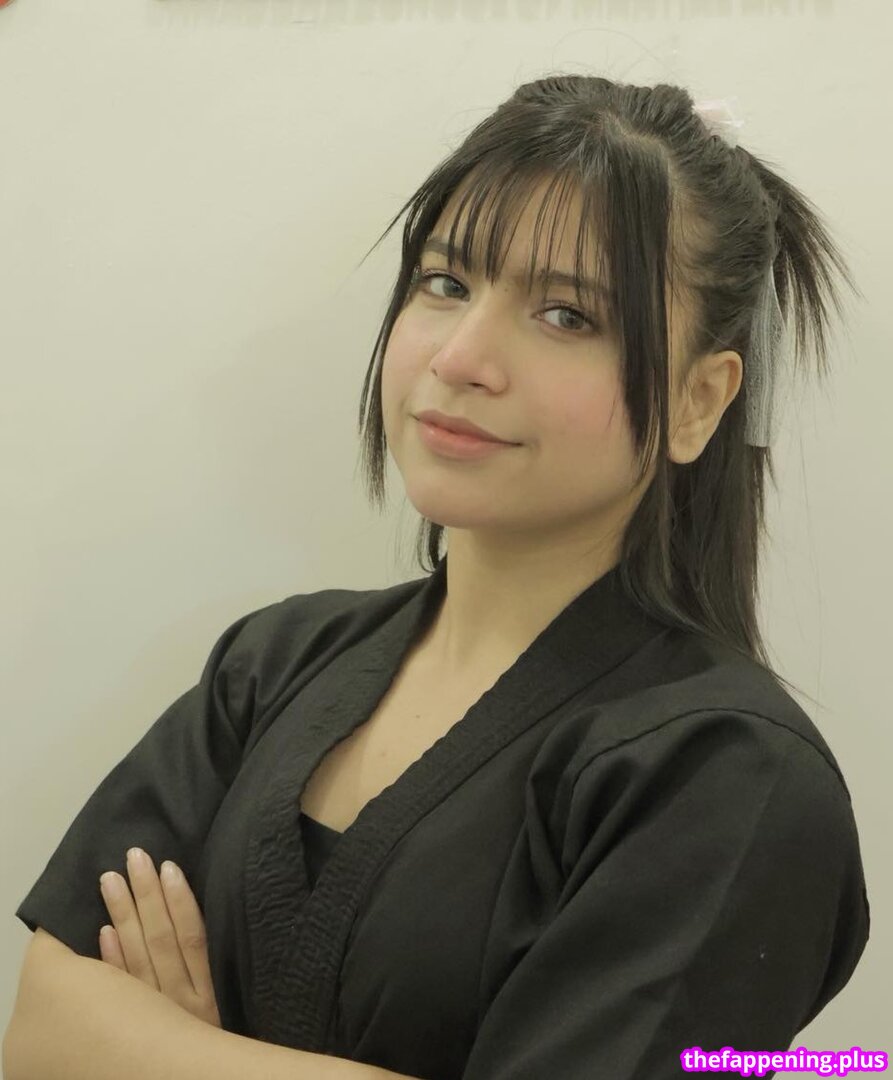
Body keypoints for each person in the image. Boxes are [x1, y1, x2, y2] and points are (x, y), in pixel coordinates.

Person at [12, 75, 869, 1080]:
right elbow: (42, 1038)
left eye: (566, 315)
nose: (461, 357)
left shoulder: (726, 777)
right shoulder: (272, 663)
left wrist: (166, 1053)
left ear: (697, 401)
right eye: (446, 284)